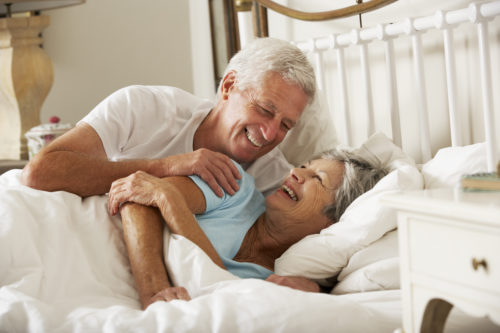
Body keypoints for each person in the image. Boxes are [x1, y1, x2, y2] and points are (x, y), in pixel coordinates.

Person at [21, 38, 316, 198]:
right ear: (228, 86)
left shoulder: (273, 178)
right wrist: (165, 167)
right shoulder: (144, 107)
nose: (269, 133)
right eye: (264, 110)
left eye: (286, 125)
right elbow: (39, 173)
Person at [107, 148, 388, 309]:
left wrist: (168, 200)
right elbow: (138, 196)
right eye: (304, 166)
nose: (295, 173)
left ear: (335, 220)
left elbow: (220, 296)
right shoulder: (234, 186)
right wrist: (154, 293)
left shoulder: (283, 284)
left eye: (317, 178)